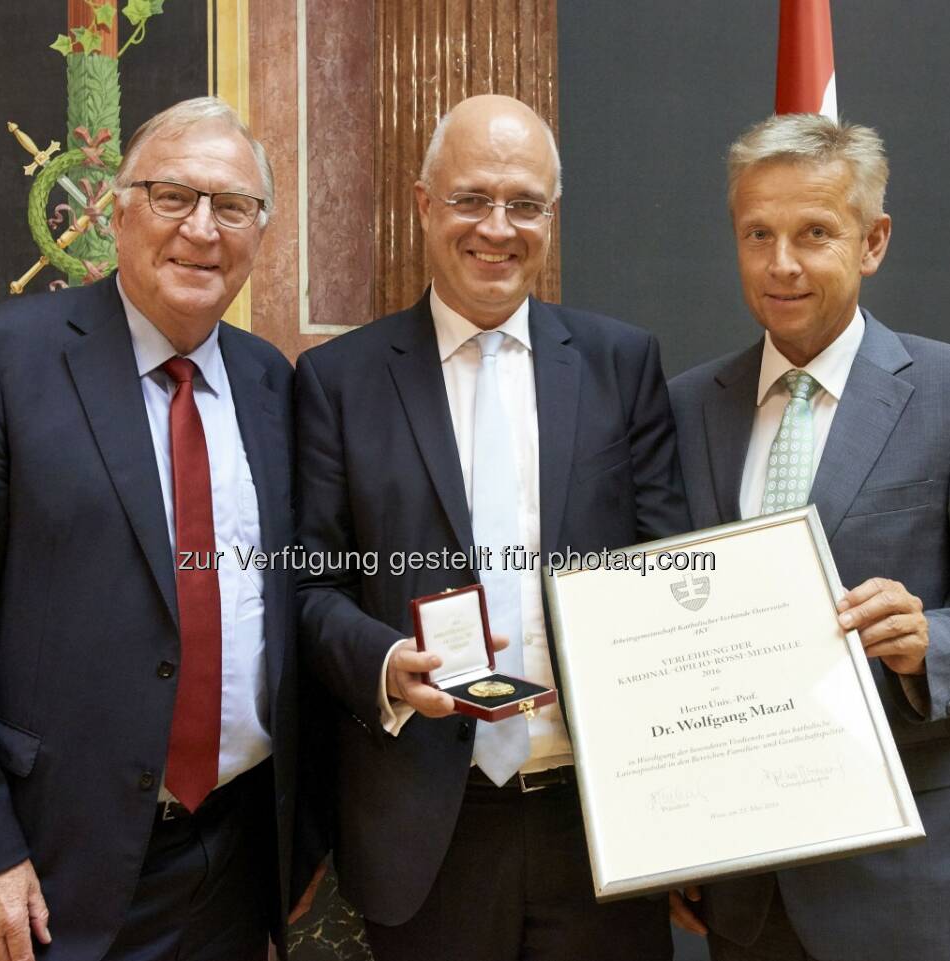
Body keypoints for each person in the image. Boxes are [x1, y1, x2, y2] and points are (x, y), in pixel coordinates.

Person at [0, 96, 323, 961]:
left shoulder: (272, 381)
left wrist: (301, 833)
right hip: (56, 867)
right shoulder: (0, 360)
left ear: (260, 231)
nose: (202, 229)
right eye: (174, 196)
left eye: (233, 206)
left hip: (237, 855)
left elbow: (290, 607)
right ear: (119, 207)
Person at [293, 94, 690, 961]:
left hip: (596, 815)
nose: (497, 228)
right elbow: (309, 587)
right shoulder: (339, 380)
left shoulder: (623, 364)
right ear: (424, 205)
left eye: (525, 204)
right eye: (471, 198)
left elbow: (668, 573)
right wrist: (385, 665)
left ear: (553, 215)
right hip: (426, 822)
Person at [667, 113, 950, 961]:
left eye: (815, 233)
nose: (781, 263)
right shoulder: (687, 407)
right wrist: (672, 831)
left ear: (873, 241)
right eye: (758, 233)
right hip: (748, 879)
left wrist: (932, 639)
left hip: (908, 877)